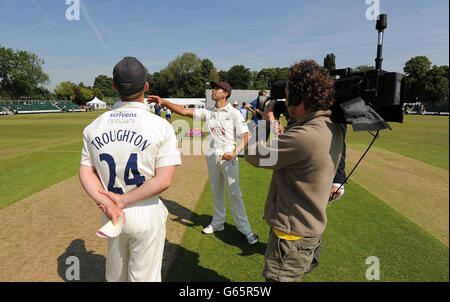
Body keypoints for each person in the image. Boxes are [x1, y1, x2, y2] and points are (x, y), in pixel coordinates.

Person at [79, 57, 181, 282]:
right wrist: (123, 200)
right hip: (145, 209)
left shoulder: (93, 126)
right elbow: (164, 180)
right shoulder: (161, 126)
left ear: (114, 86)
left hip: (111, 214)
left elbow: (86, 172)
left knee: (116, 277)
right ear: (146, 86)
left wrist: (109, 204)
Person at [245, 60, 344, 282]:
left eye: (288, 96)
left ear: (300, 98)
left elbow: (253, 154)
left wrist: (266, 123)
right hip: (309, 229)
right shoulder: (331, 126)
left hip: (291, 236)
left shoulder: (305, 137)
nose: (285, 101)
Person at [147, 81, 258, 245]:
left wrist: (234, 152)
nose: (213, 90)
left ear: (225, 93)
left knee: (235, 194)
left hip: (229, 155)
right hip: (212, 154)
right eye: (213, 88)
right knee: (216, 190)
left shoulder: (234, 113)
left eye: (217, 89)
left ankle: (245, 229)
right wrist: (163, 102)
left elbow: (245, 136)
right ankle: (218, 223)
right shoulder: (208, 112)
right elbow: (185, 111)